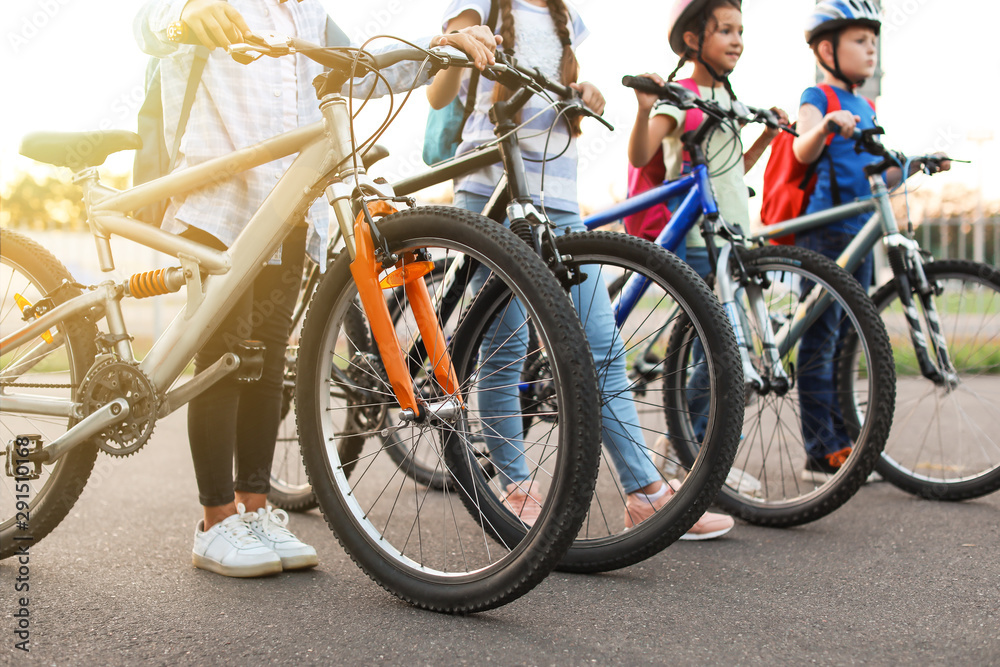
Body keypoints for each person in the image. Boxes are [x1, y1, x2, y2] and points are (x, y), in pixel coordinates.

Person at [135, 0, 500, 577]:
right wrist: (186, 13)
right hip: (216, 202)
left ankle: (254, 509)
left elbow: (367, 66)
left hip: (286, 206)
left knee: (264, 360)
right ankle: (215, 520)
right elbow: (148, 26)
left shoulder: (309, 16)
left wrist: (439, 49)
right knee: (222, 358)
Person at [427, 0, 734, 539]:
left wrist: (582, 94)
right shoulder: (480, 4)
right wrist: (458, 45)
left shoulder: (566, 17)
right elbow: (438, 94)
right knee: (507, 344)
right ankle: (514, 488)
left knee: (601, 342)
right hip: (490, 183)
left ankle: (645, 494)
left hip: (559, 193)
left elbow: (554, 90)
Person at [627, 0, 786, 485]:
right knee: (717, 353)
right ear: (693, 39)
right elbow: (642, 154)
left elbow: (733, 171)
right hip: (698, 242)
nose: (737, 40)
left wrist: (764, 138)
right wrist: (645, 109)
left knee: (721, 354)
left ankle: (687, 446)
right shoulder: (683, 98)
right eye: (726, 30)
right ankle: (696, 452)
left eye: (741, 31)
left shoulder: (729, 102)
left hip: (733, 240)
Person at [791, 0, 948, 482]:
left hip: (861, 230)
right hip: (826, 230)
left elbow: (881, 172)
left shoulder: (867, 106)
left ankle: (847, 443)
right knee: (820, 338)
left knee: (848, 341)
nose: (871, 49)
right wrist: (825, 124)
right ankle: (821, 451)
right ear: (827, 50)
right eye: (860, 41)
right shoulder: (818, 95)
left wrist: (917, 163)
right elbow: (801, 149)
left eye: (873, 42)